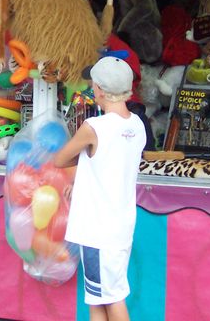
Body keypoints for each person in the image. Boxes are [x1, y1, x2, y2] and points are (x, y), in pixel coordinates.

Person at [54, 57, 146, 321]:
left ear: (100, 90)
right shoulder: (137, 126)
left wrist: (82, 163)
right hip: (119, 225)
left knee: (111, 298)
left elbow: (59, 159)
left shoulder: (94, 127)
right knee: (99, 297)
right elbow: (109, 163)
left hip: (97, 229)